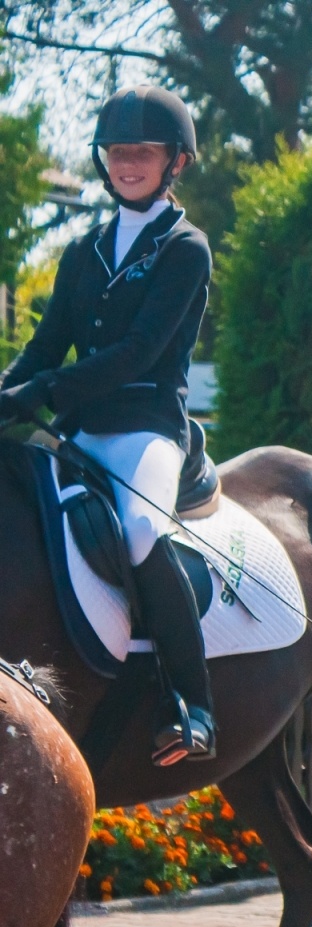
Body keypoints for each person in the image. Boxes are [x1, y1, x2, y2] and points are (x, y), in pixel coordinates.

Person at [0, 87, 218, 764]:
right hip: (79, 425)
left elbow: (138, 354)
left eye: (142, 153)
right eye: (117, 152)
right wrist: (9, 390)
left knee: (141, 529)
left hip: (145, 426)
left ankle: (195, 703)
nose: (127, 163)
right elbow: (44, 346)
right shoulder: (85, 249)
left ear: (173, 161)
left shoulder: (186, 248)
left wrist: (43, 390)